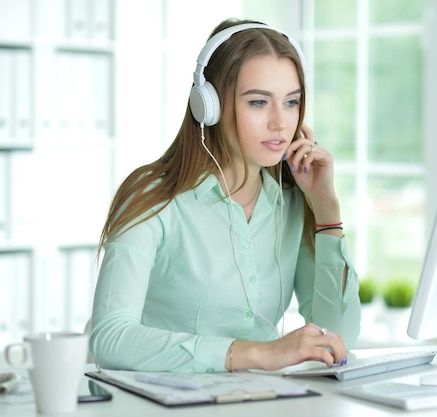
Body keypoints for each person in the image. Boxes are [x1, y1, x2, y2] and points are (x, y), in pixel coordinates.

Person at [89, 18, 361, 373]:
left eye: (291, 102)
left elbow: (339, 335)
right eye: (259, 102)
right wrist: (256, 354)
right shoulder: (153, 197)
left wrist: (326, 208)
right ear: (209, 105)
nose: (281, 122)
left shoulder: (293, 199)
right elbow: (110, 337)